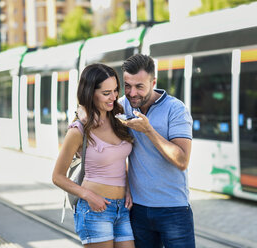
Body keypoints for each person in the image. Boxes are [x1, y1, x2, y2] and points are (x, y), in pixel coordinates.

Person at [52, 63, 135, 248]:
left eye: (115, 90)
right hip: (94, 210)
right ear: (90, 93)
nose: (114, 97)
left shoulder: (119, 120)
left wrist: (128, 188)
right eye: (106, 93)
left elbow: (120, 161)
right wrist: (88, 195)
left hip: (123, 209)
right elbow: (57, 177)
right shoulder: (78, 130)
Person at [119, 54, 195, 248]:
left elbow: (182, 160)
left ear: (153, 82)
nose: (132, 93)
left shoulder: (175, 109)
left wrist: (149, 130)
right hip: (138, 210)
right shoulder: (122, 105)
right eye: (127, 85)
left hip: (173, 210)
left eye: (139, 86)